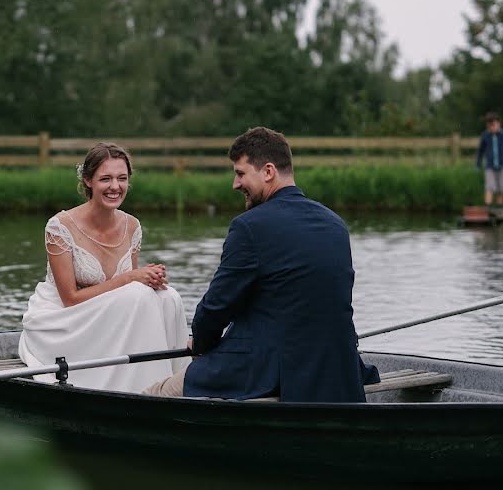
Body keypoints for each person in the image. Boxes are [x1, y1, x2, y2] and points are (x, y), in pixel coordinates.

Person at [144, 127, 377, 401]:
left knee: (153, 394)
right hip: (337, 367)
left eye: (240, 173)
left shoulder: (249, 227)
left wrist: (201, 343)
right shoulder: (335, 224)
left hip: (270, 370)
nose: (235, 184)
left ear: (268, 172)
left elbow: (216, 308)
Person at [18, 142, 190, 392]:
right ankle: (145, 389)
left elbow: (130, 292)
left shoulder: (132, 226)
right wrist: (132, 277)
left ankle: (177, 383)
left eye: (122, 178)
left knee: (168, 296)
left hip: (106, 315)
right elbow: (70, 298)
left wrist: (150, 278)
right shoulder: (59, 227)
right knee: (138, 292)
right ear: (88, 181)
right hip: (63, 319)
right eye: (105, 179)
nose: (115, 187)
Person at [476, 112, 503, 207]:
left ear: (499, 123)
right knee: (490, 187)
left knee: (501, 189)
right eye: (489, 126)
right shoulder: (485, 136)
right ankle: (488, 208)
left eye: (493, 125)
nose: (491, 128)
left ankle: (499, 209)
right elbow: (480, 151)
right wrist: (478, 164)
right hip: (489, 166)